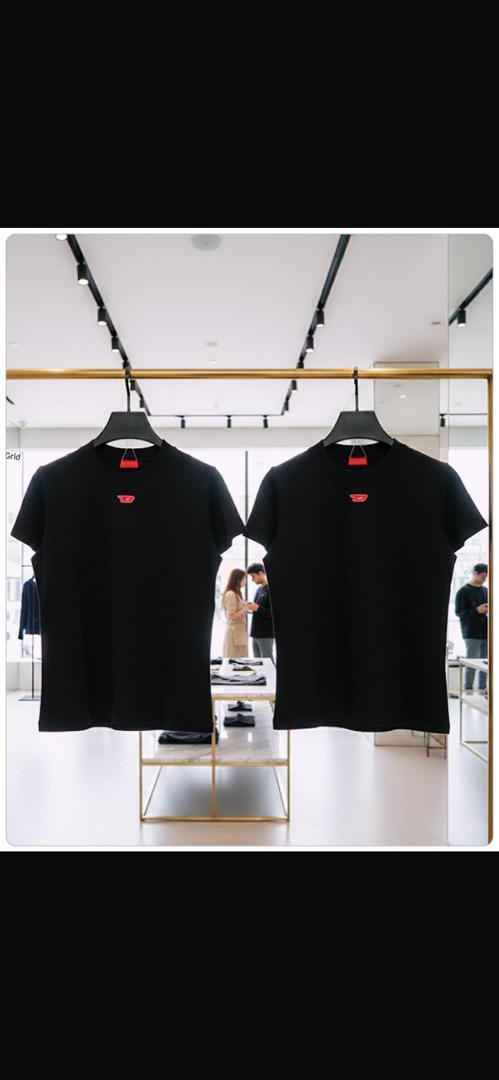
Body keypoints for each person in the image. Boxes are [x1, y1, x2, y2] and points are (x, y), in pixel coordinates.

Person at [455, 563, 488, 695]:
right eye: (482, 576)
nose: (484, 579)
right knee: (472, 661)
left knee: (485, 662)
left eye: (485, 577)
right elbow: (459, 612)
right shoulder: (463, 591)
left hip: (486, 631)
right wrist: (477, 610)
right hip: (471, 632)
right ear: (474, 573)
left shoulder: (485, 590)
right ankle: (468, 689)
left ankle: (483, 689)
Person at [246, 562, 275, 659]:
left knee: (267, 662)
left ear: (261, 573)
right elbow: (258, 609)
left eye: (253, 576)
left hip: (266, 634)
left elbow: (273, 613)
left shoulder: (271, 589)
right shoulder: (258, 589)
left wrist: (258, 608)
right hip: (255, 633)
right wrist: (251, 607)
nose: (252, 580)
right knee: (257, 663)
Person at [221, 569, 252, 657]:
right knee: (234, 661)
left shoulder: (237, 593)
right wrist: (245, 608)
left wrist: (245, 605)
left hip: (239, 634)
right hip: (234, 634)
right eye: (244, 579)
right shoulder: (231, 594)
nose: (246, 581)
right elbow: (231, 616)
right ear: (238, 580)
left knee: (241, 661)